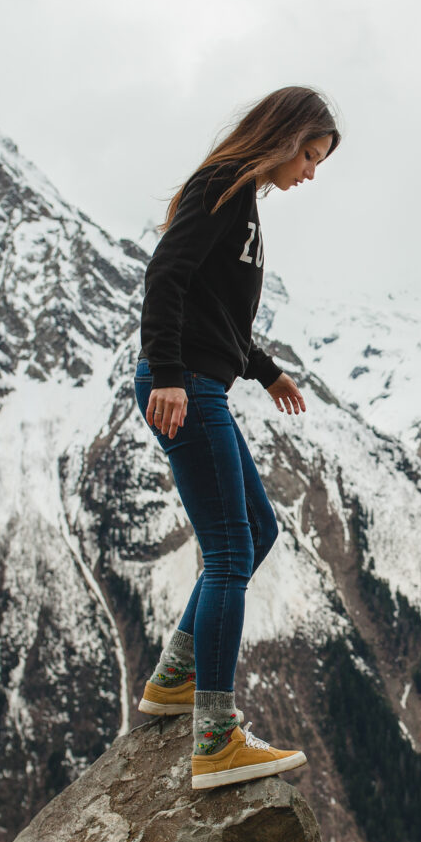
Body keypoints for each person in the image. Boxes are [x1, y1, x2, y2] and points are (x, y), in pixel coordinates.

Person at [133, 86, 339, 790]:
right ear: (284, 137)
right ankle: (215, 740)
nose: (310, 173)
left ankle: (174, 679)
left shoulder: (243, 201)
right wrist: (167, 374)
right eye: (309, 156)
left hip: (202, 380)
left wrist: (265, 370)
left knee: (257, 531)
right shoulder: (220, 184)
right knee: (229, 552)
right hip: (185, 385)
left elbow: (216, 311)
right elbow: (167, 275)